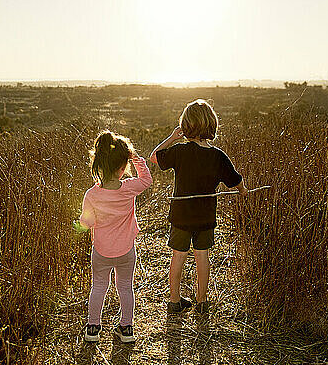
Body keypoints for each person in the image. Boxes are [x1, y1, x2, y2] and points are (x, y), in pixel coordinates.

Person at [149, 99, 247, 314]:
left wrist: (172, 138)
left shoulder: (180, 151)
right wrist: (243, 190)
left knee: (178, 256)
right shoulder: (218, 156)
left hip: (181, 217)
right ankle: (202, 302)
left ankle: (174, 300)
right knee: (202, 257)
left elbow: (154, 157)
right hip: (205, 217)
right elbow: (236, 180)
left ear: (186, 125)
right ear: (212, 125)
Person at [75, 130, 152, 342]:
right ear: (122, 167)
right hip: (126, 251)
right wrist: (135, 157)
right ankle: (126, 328)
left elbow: (87, 222)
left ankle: (93, 329)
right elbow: (146, 180)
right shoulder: (129, 188)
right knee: (125, 287)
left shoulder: (92, 195)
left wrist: (79, 226)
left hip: (101, 251)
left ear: (99, 165)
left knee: (99, 286)